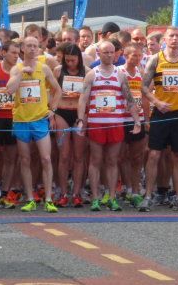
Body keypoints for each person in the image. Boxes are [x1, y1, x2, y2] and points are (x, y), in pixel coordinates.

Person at [138, 26, 178, 212]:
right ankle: (149, 195)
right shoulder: (156, 60)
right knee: (154, 154)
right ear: (165, 39)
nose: (175, 39)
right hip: (161, 113)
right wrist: (156, 102)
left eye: (177, 36)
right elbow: (143, 87)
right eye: (171, 36)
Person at [76, 40, 142, 211]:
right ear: (99, 53)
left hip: (115, 124)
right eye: (106, 52)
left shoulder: (120, 75)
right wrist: (81, 120)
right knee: (96, 160)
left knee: (112, 160)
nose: (110, 55)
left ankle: (112, 196)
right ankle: (96, 197)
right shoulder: (92, 74)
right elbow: (83, 99)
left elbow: (129, 100)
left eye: (112, 52)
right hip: (97, 124)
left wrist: (137, 121)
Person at [5, 36, 62, 213]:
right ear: (22, 48)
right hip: (21, 120)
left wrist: (52, 109)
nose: (31, 49)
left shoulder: (44, 68)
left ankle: (48, 199)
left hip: (39, 119)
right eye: (28, 46)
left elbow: (57, 89)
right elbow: (9, 90)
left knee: (45, 158)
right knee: (25, 159)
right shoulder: (17, 68)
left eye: (35, 46)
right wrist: (22, 73)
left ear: (39, 49)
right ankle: (30, 198)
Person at [54, 42, 87, 207]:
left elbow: (87, 96)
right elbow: (52, 93)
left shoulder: (86, 72)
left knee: (79, 156)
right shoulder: (58, 71)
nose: (70, 64)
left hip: (79, 114)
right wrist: (51, 114)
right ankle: (63, 192)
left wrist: (82, 117)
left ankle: (77, 193)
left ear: (79, 59)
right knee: (64, 155)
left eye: (73, 60)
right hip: (62, 112)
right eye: (67, 60)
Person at [119, 42, 150, 208]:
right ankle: (127, 187)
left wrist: (147, 119)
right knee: (123, 156)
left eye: (140, 56)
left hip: (138, 119)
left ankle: (136, 189)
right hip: (122, 119)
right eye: (134, 55)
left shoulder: (141, 73)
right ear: (126, 55)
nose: (137, 58)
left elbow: (144, 97)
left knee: (137, 157)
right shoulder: (119, 72)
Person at [0, 41, 21, 206]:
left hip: (13, 117)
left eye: (18, 53)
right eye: (13, 53)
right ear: (3, 52)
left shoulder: (20, 71)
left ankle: (5, 190)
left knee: (11, 157)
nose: (16, 56)